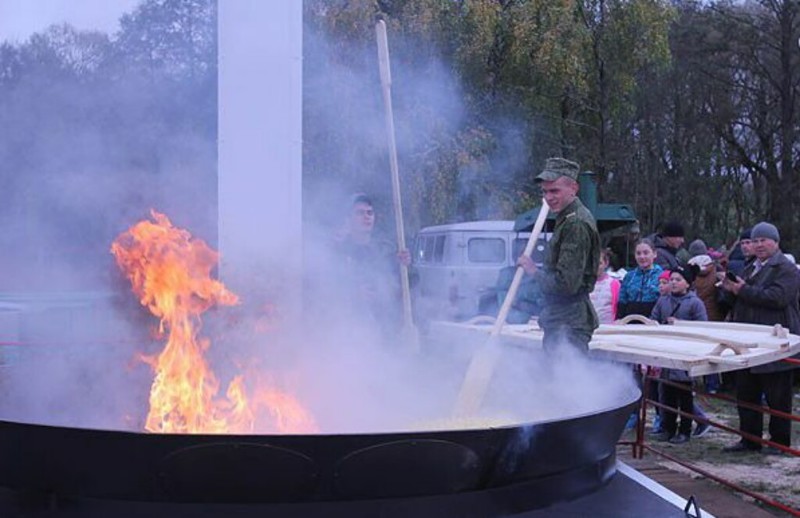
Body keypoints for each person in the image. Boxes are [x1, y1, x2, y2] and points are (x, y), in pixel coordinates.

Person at [720, 222, 800, 454]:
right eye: (755, 241)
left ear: (775, 242)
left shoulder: (787, 269)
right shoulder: (748, 268)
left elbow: (778, 298)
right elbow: (738, 298)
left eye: (764, 240)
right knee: (746, 394)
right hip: (747, 342)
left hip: (777, 341)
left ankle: (779, 442)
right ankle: (749, 439)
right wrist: (728, 289)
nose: (759, 244)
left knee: (778, 397)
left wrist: (742, 290)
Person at [516, 157, 600, 353]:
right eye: (545, 192)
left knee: (564, 382)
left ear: (573, 189)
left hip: (568, 324)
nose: (549, 197)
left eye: (555, 191)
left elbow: (566, 284)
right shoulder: (566, 219)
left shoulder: (575, 224)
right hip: (561, 319)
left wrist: (533, 271)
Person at [328, 193, 411, 338]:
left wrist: (406, 265)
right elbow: (326, 290)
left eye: (370, 213)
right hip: (347, 331)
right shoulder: (338, 250)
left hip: (384, 330)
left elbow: (404, 287)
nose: (366, 217)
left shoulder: (386, 250)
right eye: (360, 213)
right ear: (348, 219)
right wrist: (353, 295)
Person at [650, 265, 708, 444]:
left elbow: (703, 327)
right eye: (672, 279)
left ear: (688, 283)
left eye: (678, 279)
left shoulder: (695, 303)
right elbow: (653, 318)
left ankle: (684, 430)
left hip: (685, 355)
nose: (674, 283)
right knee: (666, 395)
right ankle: (668, 428)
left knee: (684, 396)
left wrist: (681, 324)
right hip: (666, 354)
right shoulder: (663, 301)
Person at [617, 240, 664, 319]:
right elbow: (622, 300)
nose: (642, 257)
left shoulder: (662, 276)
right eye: (638, 253)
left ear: (654, 254)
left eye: (646, 253)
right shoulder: (629, 276)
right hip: (629, 320)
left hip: (653, 320)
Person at [589, 248, 620, 324]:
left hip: (608, 328)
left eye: (599, 263)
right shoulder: (584, 284)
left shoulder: (614, 283)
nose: (595, 266)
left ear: (606, 263)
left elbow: (618, 307)